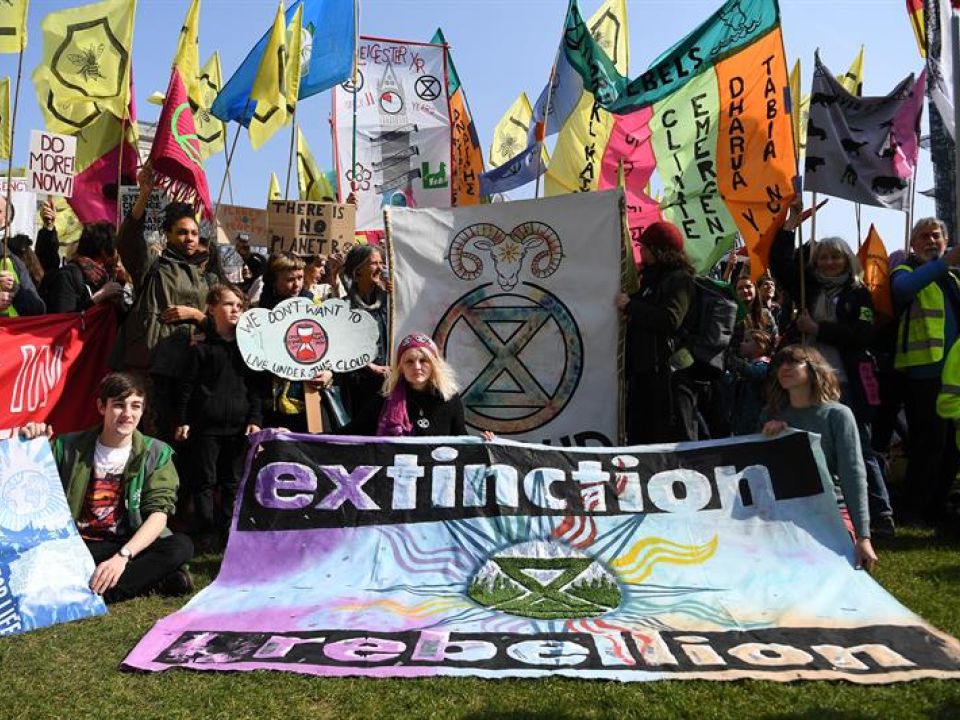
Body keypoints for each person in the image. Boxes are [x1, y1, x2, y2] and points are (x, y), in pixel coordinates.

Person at [771, 201, 894, 536]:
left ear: (847, 260)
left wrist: (819, 329)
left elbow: (863, 334)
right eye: (823, 257)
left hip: (846, 379)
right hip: (809, 383)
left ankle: (879, 514)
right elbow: (779, 263)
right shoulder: (806, 287)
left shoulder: (859, 295)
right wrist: (790, 226)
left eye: (835, 256)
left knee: (859, 448)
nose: (828, 262)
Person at [18, 372, 194, 602]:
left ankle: (95, 590)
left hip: (128, 544)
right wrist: (31, 442)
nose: (128, 414)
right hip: (80, 544)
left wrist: (122, 557)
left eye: (136, 406)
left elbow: (158, 516)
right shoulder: (68, 446)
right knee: (32, 558)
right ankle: (151, 580)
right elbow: (29, 481)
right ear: (102, 407)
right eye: (119, 405)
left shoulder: (157, 453)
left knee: (181, 546)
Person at [111, 163, 212, 440]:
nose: (189, 238)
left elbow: (226, 316)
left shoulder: (208, 276)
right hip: (153, 367)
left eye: (193, 233)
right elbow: (129, 238)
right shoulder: (153, 265)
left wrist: (197, 316)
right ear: (167, 235)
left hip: (191, 369)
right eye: (182, 232)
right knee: (148, 438)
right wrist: (145, 193)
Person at [761, 345, 878, 572]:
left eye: (793, 362)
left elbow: (852, 475)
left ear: (814, 369)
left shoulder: (838, 415)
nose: (784, 368)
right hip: (781, 512)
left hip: (830, 508)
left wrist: (863, 536)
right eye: (780, 364)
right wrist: (769, 437)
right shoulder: (770, 415)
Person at [175, 284, 262, 550]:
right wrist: (182, 419)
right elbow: (187, 386)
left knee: (232, 480)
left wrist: (255, 418)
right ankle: (206, 529)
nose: (235, 309)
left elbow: (255, 388)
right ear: (212, 309)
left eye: (239, 305)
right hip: (206, 426)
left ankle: (227, 529)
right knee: (204, 479)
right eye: (228, 304)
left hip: (238, 427)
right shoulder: (200, 347)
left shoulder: (249, 349)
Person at [891, 217, 960, 524]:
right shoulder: (906, 270)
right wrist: (944, 263)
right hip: (924, 372)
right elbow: (903, 290)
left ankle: (938, 505)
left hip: (953, 373)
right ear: (912, 244)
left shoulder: (953, 280)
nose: (931, 241)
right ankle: (913, 508)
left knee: (950, 447)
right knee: (928, 443)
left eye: (937, 236)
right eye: (924, 236)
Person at [618, 221, 697, 444]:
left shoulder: (679, 279)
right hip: (643, 372)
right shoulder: (648, 280)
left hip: (666, 377)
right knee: (640, 436)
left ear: (660, 251)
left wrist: (631, 306)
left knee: (665, 436)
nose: (641, 251)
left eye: (645, 247)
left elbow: (670, 319)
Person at [343, 333, 489, 437]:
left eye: (423, 361)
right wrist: (320, 440)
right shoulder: (385, 399)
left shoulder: (449, 398)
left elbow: (462, 439)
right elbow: (351, 432)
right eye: (409, 362)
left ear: (434, 365)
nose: (417, 367)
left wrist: (485, 442)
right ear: (401, 367)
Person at [340, 245, 391, 418]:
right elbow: (343, 345)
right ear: (357, 270)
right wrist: (369, 366)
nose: (380, 268)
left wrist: (395, 296)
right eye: (373, 263)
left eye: (381, 263)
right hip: (359, 383)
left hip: (387, 380)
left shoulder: (388, 302)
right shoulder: (345, 306)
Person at [39, 223, 124, 313]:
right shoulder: (67, 276)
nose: (117, 258)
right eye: (116, 250)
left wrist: (121, 283)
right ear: (104, 252)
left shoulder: (102, 280)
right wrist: (99, 296)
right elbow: (63, 320)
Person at [729, 329, 774, 436]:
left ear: (761, 346)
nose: (741, 344)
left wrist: (731, 358)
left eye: (747, 341)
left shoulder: (765, 365)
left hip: (754, 422)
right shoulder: (750, 364)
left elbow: (753, 373)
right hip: (740, 421)